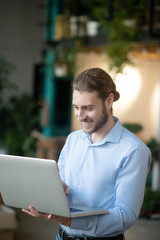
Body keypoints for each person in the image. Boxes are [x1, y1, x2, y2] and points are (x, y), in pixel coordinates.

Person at [23, 68, 151, 240]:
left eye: (88, 108)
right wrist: (53, 192)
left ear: (109, 101)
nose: (80, 116)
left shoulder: (133, 151)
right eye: (76, 107)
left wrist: (71, 221)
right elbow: (61, 181)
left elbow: (125, 216)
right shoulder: (73, 139)